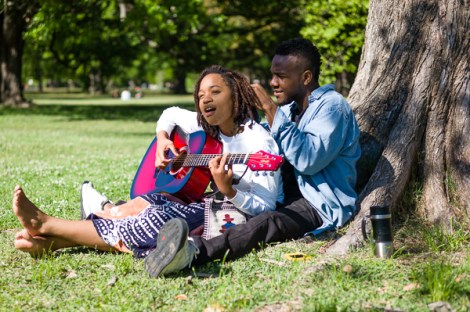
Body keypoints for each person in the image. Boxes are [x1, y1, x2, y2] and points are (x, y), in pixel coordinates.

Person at [143, 38, 361, 277]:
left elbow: (307, 161)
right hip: (285, 194)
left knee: (267, 223)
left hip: (319, 202)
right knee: (211, 206)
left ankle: (193, 253)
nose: (273, 83)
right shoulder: (290, 109)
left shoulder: (332, 108)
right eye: (272, 75)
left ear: (306, 78)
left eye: (281, 76)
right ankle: (155, 240)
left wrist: (271, 111)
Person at [12, 65, 281, 258]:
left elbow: (267, 207)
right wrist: (163, 139)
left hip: (232, 214)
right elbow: (170, 113)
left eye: (214, 92)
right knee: (151, 200)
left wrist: (229, 190)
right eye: (200, 95)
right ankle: (55, 243)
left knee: (153, 219)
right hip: (208, 200)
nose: (205, 100)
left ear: (236, 97)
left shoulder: (259, 144)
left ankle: (47, 225)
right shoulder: (204, 125)